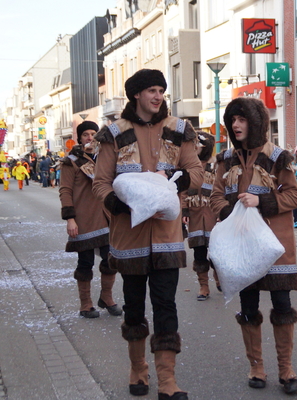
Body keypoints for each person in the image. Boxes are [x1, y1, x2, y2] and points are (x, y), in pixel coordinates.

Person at [93, 68, 203, 399]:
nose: (158, 96)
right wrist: (130, 205)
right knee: (135, 307)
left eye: (162, 91)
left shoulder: (178, 131)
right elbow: (100, 183)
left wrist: (174, 183)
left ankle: (167, 381)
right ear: (137, 94)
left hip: (168, 237)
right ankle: (137, 369)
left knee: (166, 305)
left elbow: (196, 172)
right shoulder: (114, 133)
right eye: (152, 90)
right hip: (130, 238)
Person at [210, 97, 297, 394]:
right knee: (248, 307)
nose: (236, 125)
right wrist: (232, 212)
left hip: (276, 247)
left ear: (256, 122)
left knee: (282, 307)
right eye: (232, 120)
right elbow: (215, 197)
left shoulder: (279, 157)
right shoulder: (225, 159)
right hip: (242, 249)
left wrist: (260, 201)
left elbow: (295, 197)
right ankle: (257, 366)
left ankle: (286, 369)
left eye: (242, 119)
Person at [60, 121, 122, 319]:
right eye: (85, 134)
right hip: (84, 219)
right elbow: (65, 191)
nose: (89, 137)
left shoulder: (106, 158)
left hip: (106, 218)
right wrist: (70, 218)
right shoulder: (71, 161)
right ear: (79, 138)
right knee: (85, 262)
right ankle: (86, 304)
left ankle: (106, 297)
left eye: (92, 134)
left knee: (110, 260)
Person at [181, 131, 221, 301]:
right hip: (195, 216)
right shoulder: (189, 167)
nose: (195, 148)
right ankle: (203, 286)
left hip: (213, 216)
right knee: (199, 253)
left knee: (216, 253)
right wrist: (184, 211)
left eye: (198, 144)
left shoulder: (216, 166)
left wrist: (222, 213)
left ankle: (220, 277)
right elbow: (182, 191)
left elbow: (222, 191)